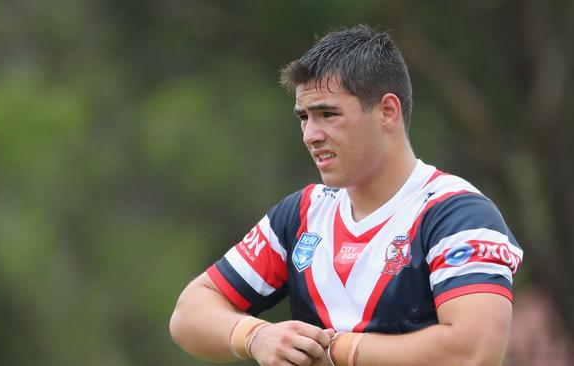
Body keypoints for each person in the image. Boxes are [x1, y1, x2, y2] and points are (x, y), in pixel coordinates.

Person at [170, 24, 523, 366]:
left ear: (387, 111)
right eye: (304, 117)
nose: (311, 134)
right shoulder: (301, 215)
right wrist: (254, 335)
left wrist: (339, 349)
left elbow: (473, 353)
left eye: (327, 114)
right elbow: (190, 313)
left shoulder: (457, 214)